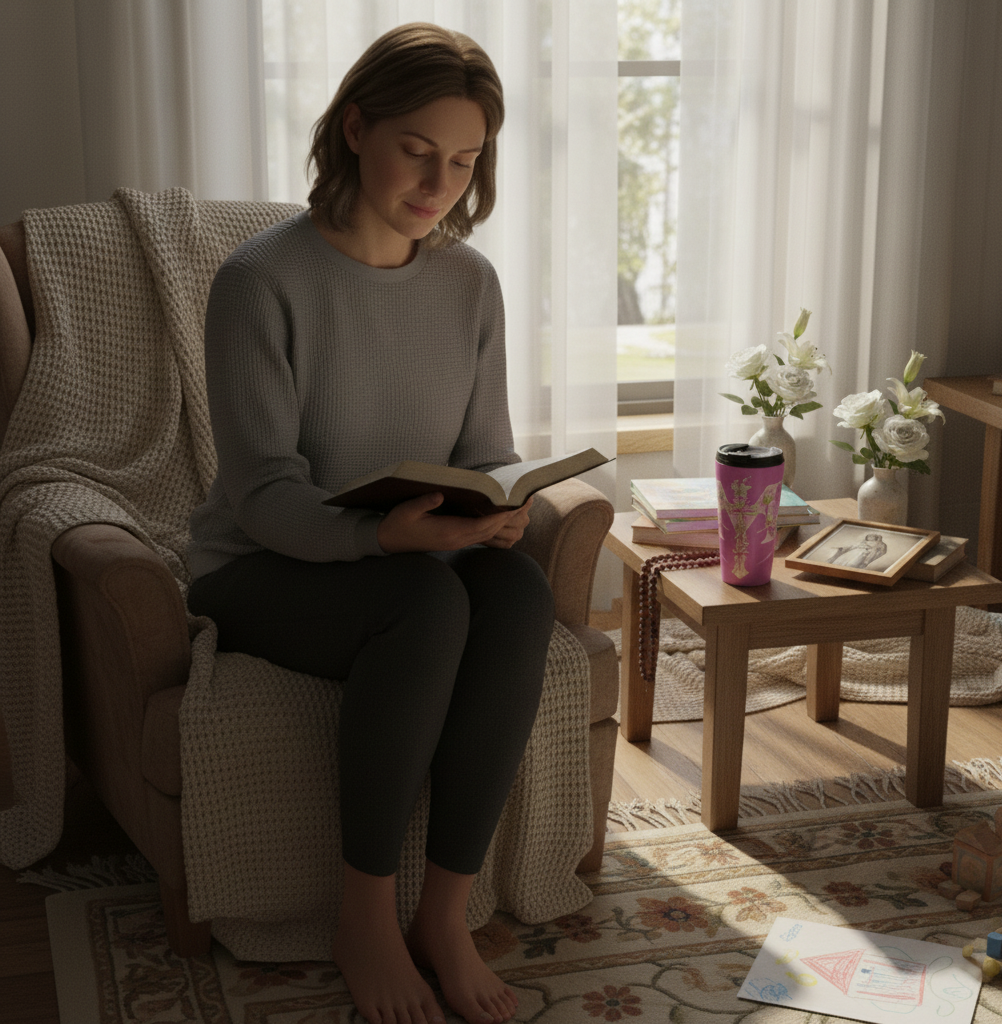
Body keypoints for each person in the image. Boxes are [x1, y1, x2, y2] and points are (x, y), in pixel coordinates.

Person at [186, 23, 552, 1024]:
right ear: (356, 128)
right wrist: (387, 539)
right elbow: (263, 495)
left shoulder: (470, 283)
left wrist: (502, 505)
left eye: (466, 161)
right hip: (262, 561)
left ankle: (444, 912)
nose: (440, 182)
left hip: (409, 548)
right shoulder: (258, 283)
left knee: (517, 593)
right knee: (424, 604)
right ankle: (365, 917)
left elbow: (484, 448)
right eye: (417, 150)